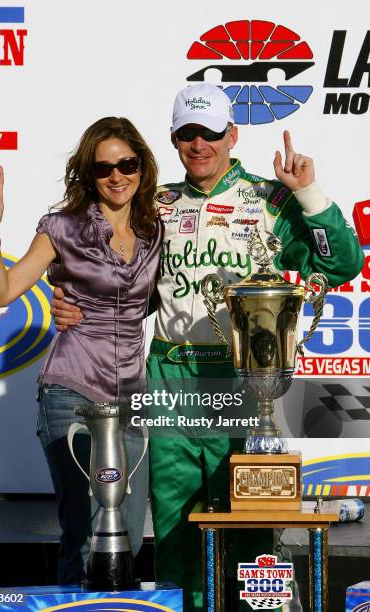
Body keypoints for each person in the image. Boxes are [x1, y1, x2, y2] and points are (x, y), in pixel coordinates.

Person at [50, 84, 364, 610]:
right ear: (174, 140)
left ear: (232, 135)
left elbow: (341, 264)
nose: (200, 144)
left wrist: (309, 193)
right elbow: (119, 285)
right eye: (187, 133)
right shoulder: (156, 206)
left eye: (211, 133)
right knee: (174, 527)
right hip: (169, 374)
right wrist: (74, 306)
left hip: (244, 380)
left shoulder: (269, 200)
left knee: (249, 523)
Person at [0, 117, 163, 585]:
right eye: (103, 169)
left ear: (142, 166)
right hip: (71, 391)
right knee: (83, 534)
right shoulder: (62, 228)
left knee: (129, 537)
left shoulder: (160, 228)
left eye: (127, 164)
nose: (117, 176)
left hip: (131, 399)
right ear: (88, 174)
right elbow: (2, 293)